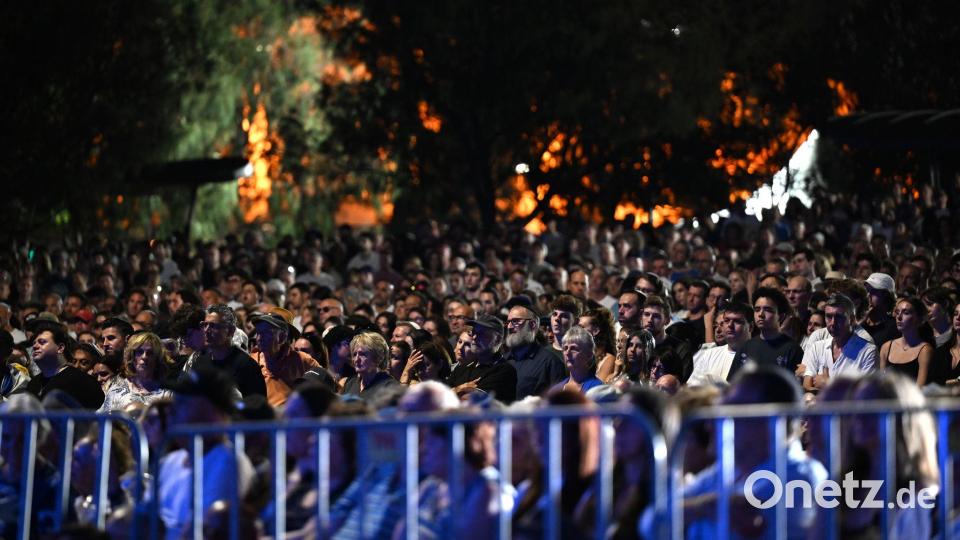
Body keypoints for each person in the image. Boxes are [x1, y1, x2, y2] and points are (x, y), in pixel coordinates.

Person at [678, 364, 827, 540]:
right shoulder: (729, 468)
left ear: (768, 419)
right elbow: (651, 521)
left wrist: (691, 510)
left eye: (732, 412)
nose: (711, 425)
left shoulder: (801, 477)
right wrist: (705, 506)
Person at [157, 366, 255, 540]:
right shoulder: (171, 460)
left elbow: (202, 532)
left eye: (182, 403)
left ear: (211, 413)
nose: (170, 410)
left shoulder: (228, 462)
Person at [841, 372, 939, 537]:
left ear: (902, 418)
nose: (858, 418)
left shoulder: (922, 497)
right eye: (855, 407)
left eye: (869, 409)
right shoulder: (846, 485)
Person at [801, 294, 877, 393]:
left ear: (852, 319)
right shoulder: (817, 347)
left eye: (839, 317)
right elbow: (807, 386)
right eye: (829, 316)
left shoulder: (868, 351)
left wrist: (827, 383)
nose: (833, 322)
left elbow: (865, 394)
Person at [190, 304, 266, 398]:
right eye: (204, 324)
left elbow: (258, 407)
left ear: (230, 331)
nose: (206, 330)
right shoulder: (200, 362)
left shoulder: (247, 367)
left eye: (213, 326)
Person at [26, 321, 104, 409]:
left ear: (60, 348)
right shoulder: (33, 384)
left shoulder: (81, 381)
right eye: (34, 343)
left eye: (42, 342)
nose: (35, 346)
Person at [250, 312, 320, 407]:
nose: (259, 338)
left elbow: (327, 385)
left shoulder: (303, 360)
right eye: (258, 332)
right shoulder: (251, 361)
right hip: (264, 419)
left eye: (266, 333)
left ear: (282, 337)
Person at [732, 287, 804, 379]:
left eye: (768, 310)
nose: (761, 314)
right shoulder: (745, 347)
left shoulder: (792, 349)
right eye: (757, 309)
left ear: (781, 316)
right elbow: (732, 384)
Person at [445, 315, 517, 403]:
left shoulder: (504, 370)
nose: (474, 337)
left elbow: (469, 402)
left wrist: (452, 392)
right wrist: (461, 388)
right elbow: (439, 397)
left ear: (497, 339)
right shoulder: (462, 368)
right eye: (474, 332)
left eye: (482, 333)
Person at [502, 304, 566, 399]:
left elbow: (557, 404)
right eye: (508, 322)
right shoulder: (503, 360)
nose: (509, 327)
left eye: (515, 321)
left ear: (532, 324)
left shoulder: (551, 363)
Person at [99, 332, 172, 412]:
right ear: (132, 356)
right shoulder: (116, 391)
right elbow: (103, 420)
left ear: (157, 359)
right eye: (140, 352)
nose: (144, 357)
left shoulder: (167, 394)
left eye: (150, 353)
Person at [687, 302, 753, 386]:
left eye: (737, 321)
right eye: (726, 320)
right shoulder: (709, 355)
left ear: (751, 327)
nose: (730, 325)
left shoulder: (759, 355)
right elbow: (692, 388)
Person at [878, 297, 933, 386]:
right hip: (888, 399)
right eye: (897, 312)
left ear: (919, 319)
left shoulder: (925, 350)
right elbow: (881, 385)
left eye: (906, 313)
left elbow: (920, 389)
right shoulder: (886, 347)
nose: (899, 317)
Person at [340, 331, 401, 402]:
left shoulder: (390, 386)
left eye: (362, 354)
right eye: (354, 354)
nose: (357, 359)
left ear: (378, 357)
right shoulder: (350, 383)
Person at [549, 326, 603, 394]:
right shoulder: (556, 390)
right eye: (565, 348)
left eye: (573, 348)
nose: (567, 353)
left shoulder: (597, 388)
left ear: (589, 355)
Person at [578, 308, 617, 383]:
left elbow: (598, 390)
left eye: (582, 327)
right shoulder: (579, 355)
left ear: (596, 331)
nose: (576, 331)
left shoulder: (609, 359)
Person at [928, 303, 960, 386]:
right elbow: (930, 382)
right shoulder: (942, 351)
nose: (958, 318)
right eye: (956, 314)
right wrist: (955, 381)